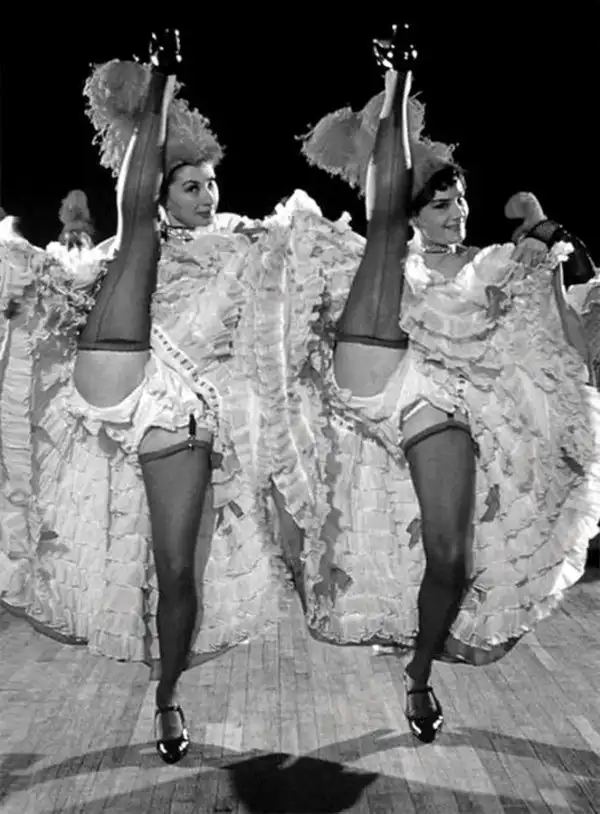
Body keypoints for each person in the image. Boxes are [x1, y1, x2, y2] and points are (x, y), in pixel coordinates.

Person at [251, 25, 600, 743]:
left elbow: (574, 309)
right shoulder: (393, 253)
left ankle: (417, 676)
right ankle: (396, 77)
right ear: (416, 212)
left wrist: (544, 232)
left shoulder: (492, 264)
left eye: (460, 200)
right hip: (375, 364)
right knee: (379, 240)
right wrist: (400, 89)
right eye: (439, 203)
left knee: (452, 559)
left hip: (437, 401)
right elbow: (383, 223)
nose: (456, 211)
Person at [0, 32, 288, 764]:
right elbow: (92, 263)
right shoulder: (132, 244)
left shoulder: (241, 243)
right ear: (160, 193)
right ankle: (161, 85)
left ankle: (168, 694)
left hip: (180, 404)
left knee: (177, 570)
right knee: (135, 244)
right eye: (190, 186)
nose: (207, 196)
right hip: (116, 370)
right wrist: (161, 86)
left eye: (211, 185)